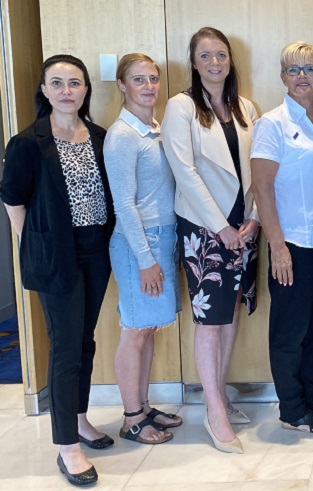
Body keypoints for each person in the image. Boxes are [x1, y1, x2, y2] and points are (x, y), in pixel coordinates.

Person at [0, 54, 115, 486]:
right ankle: (68, 447)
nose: (68, 90)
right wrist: (35, 244)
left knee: (84, 341)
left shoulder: (100, 137)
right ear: (44, 90)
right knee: (65, 346)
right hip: (56, 255)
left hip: (97, 250)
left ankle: (81, 418)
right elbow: (13, 198)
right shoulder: (29, 142)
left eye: (75, 83)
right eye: (58, 83)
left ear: (86, 89)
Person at [163, 27, 260, 454]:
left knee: (232, 310)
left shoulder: (245, 107)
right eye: (206, 56)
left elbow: (258, 166)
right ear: (195, 62)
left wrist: (253, 219)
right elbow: (184, 172)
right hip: (205, 228)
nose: (215, 63)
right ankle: (214, 409)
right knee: (210, 320)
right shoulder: (181, 107)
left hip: (244, 227)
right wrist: (219, 225)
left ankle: (217, 396)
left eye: (221, 55)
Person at [251, 41, 313, 435]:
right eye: (293, 70)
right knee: (289, 332)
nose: (302, 76)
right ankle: (292, 410)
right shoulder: (271, 124)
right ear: (282, 77)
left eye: (309, 69)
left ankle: (309, 395)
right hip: (291, 243)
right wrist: (277, 247)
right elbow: (262, 189)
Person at [104, 53, 181, 446]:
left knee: (148, 329)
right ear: (122, 85)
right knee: (135, 331)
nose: (149, 86)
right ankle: (131, 418)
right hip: (141, 244)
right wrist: (147, 260)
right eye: (139, 80)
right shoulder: (122, 136)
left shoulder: (152, 127)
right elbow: (124, 205)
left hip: (162, 237)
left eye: (153, 78)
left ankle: (143, 405)